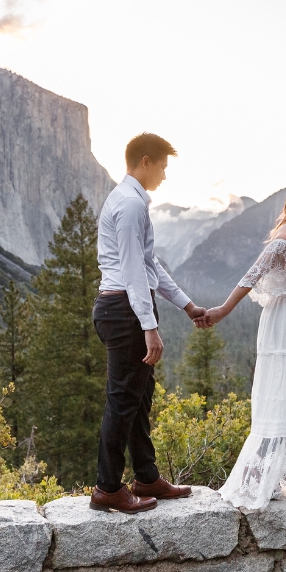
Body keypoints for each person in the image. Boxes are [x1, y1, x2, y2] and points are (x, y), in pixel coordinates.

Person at [91, 132, 209, 514]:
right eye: (162, 166)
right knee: (122, 401)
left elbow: (149, 264)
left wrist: (186, 305)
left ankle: (146, 476)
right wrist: (149, 325)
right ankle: (107, 488)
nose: (163, 175)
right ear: (145, 161)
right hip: (124, 311)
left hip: (124, 309)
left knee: (139, 400)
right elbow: (131, 271)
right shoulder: (129, 205)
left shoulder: (130, 202)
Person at [205, 180, 286, 510]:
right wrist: (222, 310)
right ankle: (264, 471)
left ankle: (285, 464)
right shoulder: (285, 239)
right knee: (281, 394)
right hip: (282, 327)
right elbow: (251, 276)